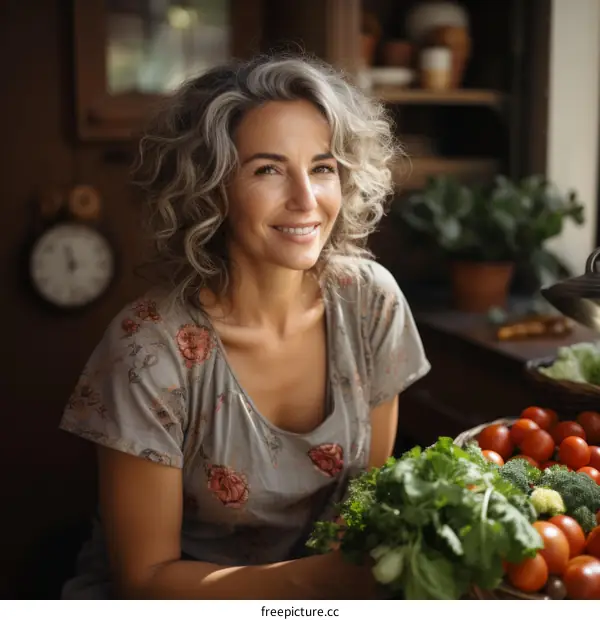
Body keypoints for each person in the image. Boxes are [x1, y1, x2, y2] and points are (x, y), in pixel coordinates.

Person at [59, 53, 431, 600]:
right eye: (268, 169)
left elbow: (361, 508)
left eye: (323, 167)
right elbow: (145, 581)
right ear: (211, 189)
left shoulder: (370, 303)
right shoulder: (148, 348)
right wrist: (325, 582)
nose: (306, 200)